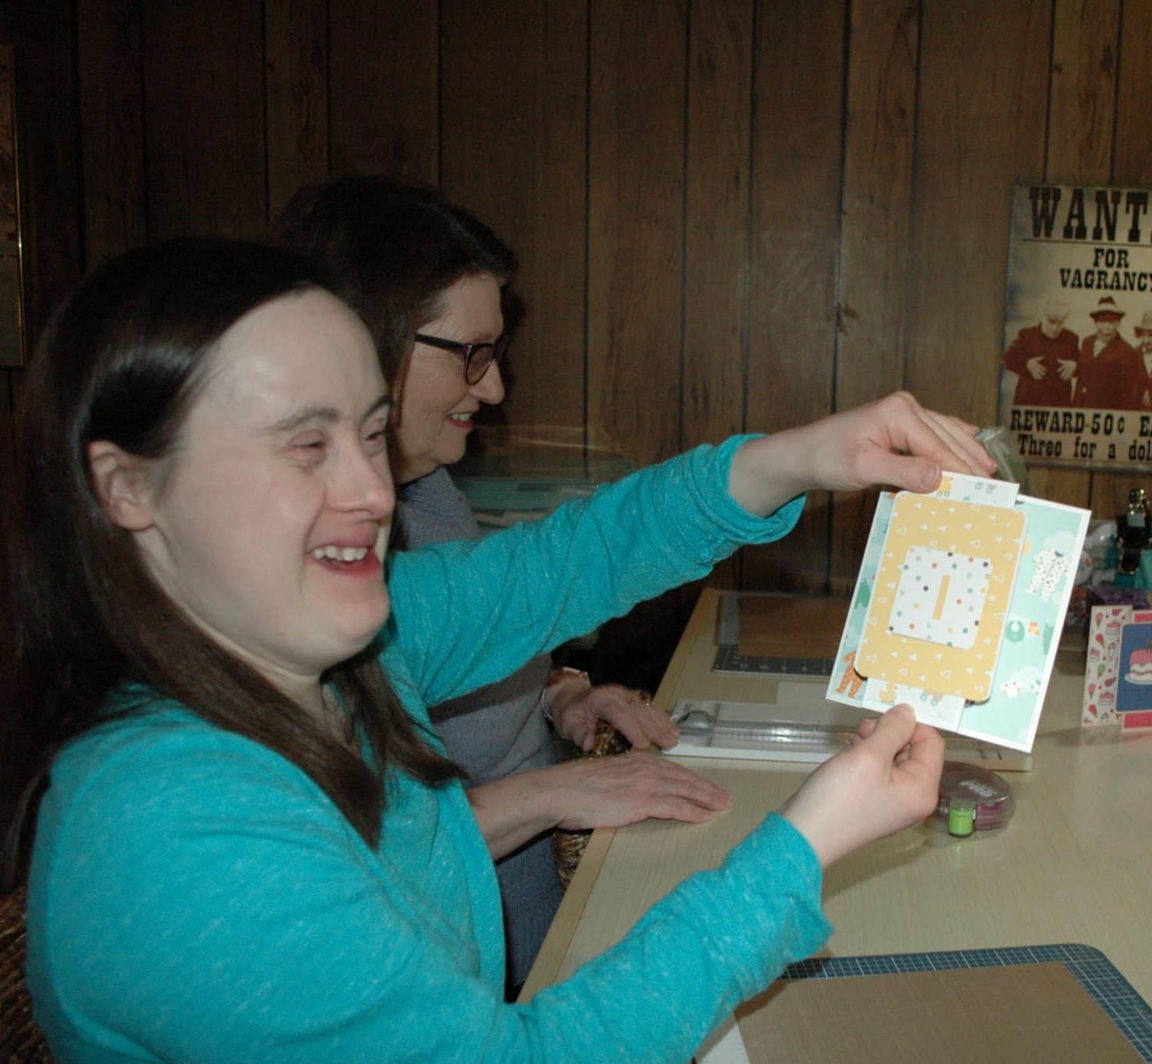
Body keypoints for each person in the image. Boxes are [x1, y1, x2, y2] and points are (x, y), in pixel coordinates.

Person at [0, 238, 992, 1062]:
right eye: (306, 445)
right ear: (127, 488)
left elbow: (569, 561)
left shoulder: (337, 651)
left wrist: (804, 457)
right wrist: (799, 847)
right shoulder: (169, 831)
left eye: (371, 434)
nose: (372, 491)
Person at [273, 175, 721, 990]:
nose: (495, 388)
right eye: (472, 354)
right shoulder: (324, 568)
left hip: (542, 917)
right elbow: (358, 858)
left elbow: (480, 646)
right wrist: (552, 792)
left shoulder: (431, 491)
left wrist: (561, 693)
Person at [999, 294, 1079, 410]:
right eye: (1051, 322)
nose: (1055, 328)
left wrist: (1074, 365)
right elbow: (1007, 359)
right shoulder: (1026, 335)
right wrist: (1027, 364)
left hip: (1059, 404)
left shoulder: (1071, 338)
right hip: (1029, 402)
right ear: (1042, 318)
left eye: (1060, 323)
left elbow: (1083, 362)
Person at [1074, 295, 1139, 410]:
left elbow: (1128, 393)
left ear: (1119, 323)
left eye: (1112, 321)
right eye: (1102, 321)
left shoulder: (1127, 351)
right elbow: (1082, 373)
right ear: (1096, 322)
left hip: (1108, 412)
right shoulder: (1087, 342)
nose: (1107, 326)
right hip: (1082, 408)